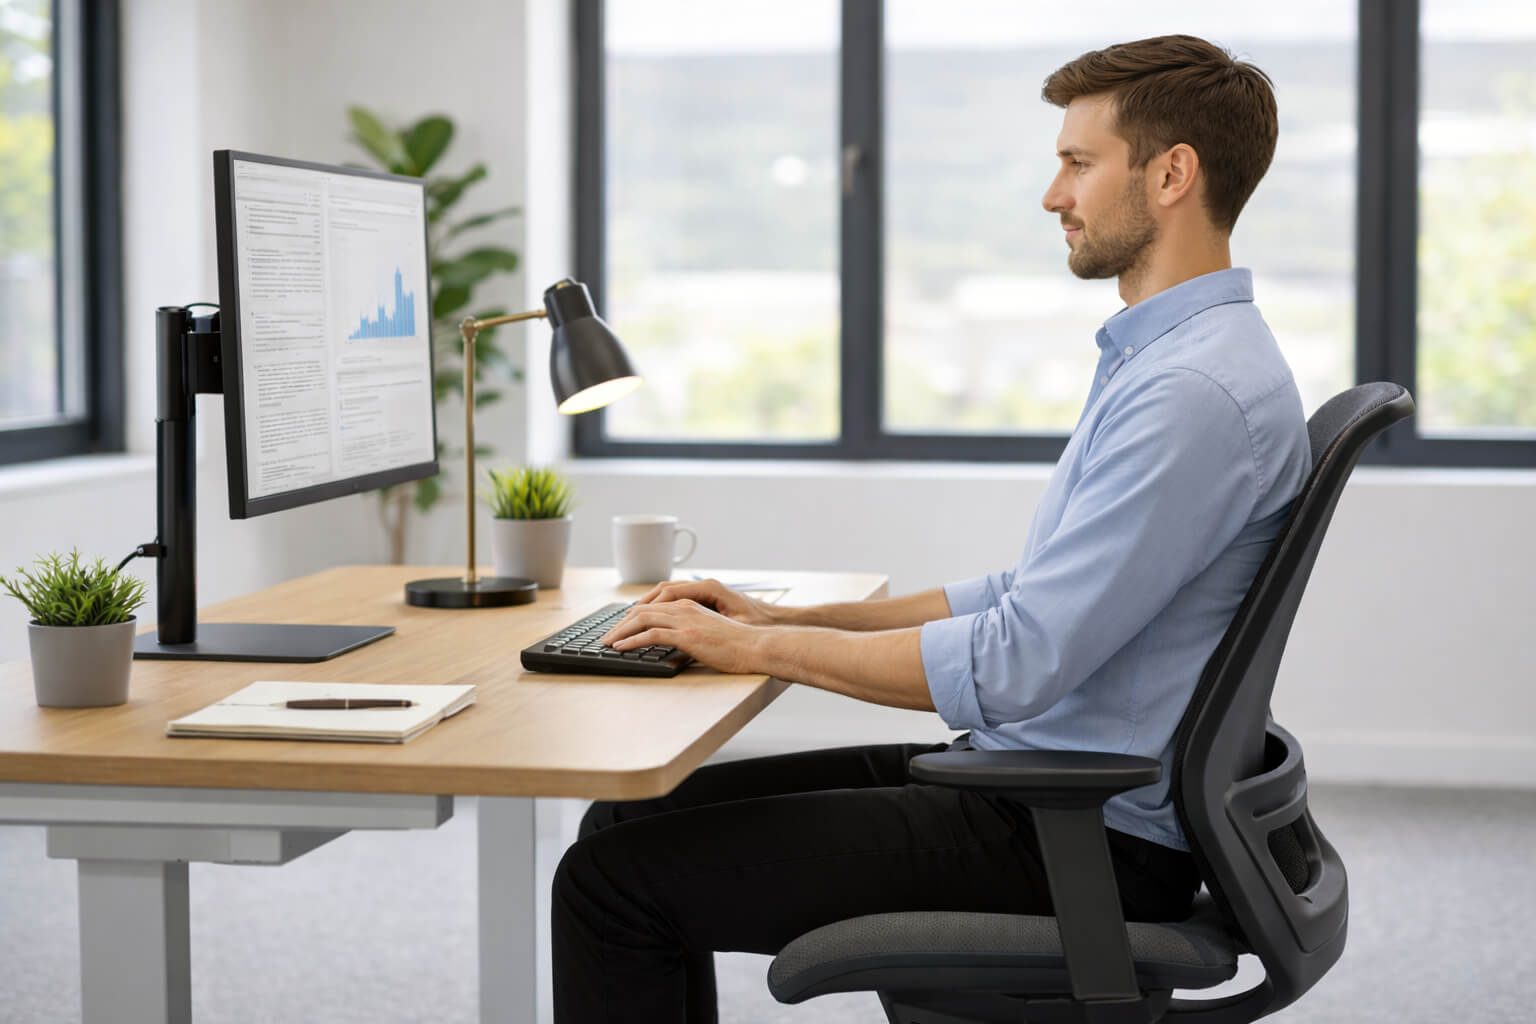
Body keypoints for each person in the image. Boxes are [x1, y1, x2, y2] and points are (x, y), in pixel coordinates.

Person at [552, 34, 1312, 1024]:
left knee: (609, 885)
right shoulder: (1175, 359)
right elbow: (1025, 595)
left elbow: (1017, 661)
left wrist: (752, 646)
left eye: (1078, 163)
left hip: (1077, 836)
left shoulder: (1192, 393)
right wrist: (786, 617)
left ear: (1172, 174)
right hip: (1041, 786)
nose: (1053, 194)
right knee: (627, 817)